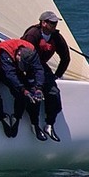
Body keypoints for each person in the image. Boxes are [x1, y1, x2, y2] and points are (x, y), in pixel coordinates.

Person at [0, 38, 55, 142]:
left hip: (17, 68)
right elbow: (10, 75)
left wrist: (39, 88)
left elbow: (39, 69)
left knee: (34, 94)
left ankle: (34, 124)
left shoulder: (31, 51)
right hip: (1, 68)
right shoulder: (5, 52)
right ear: (18, 55)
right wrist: (23, 90)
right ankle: (15, 117)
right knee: (20, 92)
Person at [20, 10, 68, 139]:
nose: (54, 25)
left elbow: (65, 57)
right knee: (34, 94)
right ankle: (34, 125)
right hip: (27, 66)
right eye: (52, 23)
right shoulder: (32, 34)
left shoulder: (56, 36)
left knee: (54, 93)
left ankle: (49, 124)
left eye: (55, 22)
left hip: (41, 66)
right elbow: (25, 55)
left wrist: (57, 75)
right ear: (43, 23)